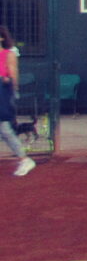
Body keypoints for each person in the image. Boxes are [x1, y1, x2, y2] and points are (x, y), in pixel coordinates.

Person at [0, 26, 35, 176]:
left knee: (5, 130)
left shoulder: (9, 54)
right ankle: (24, 159)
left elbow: (12, 77)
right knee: (4, 131)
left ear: (2, 38)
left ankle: (24, 160)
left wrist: (11, 91)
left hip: (3, 95)